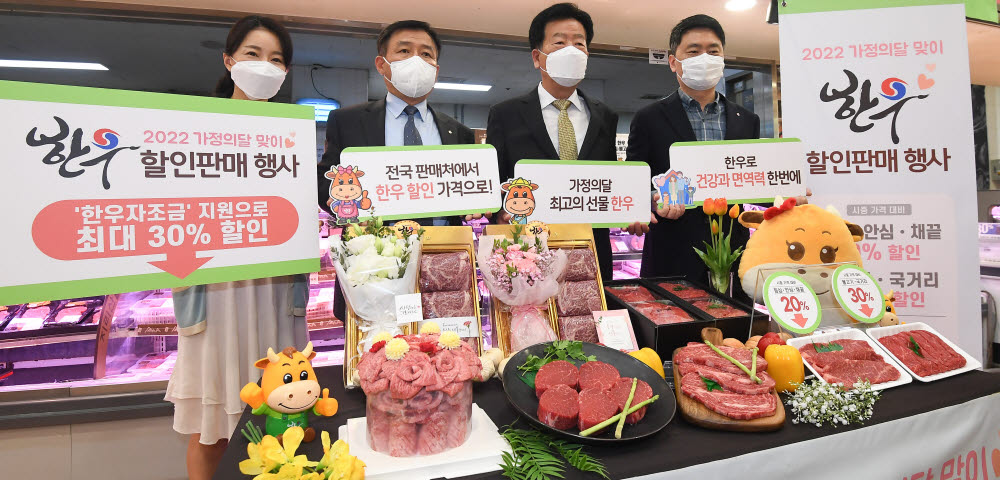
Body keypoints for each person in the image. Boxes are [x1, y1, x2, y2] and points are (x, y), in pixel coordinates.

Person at [164, 16, 308, 480]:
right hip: (216, 290)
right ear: (229, 61)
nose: (265, 66)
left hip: (275, 291)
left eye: (276, 59)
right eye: (252, 54)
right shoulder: (192, 128)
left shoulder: (292, 133)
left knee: (283, 419)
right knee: (212, 428)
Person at [317, 20, 475, 320]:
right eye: (404, 50)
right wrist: (347, 205)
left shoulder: (460, 133)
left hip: (444, 273)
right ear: (382, 63)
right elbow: (325, 184)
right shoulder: (348, 122)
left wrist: (477, 206)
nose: (417, 60)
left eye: (426, 54)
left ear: (436, 69)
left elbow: (470, 195)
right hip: (374, 271)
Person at [625, 14, 760, 301]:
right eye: (694, 51)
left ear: (723, 60)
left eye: (713, 51)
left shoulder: (746, 120)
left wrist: (787, 193)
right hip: (671, 254)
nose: (705, 58)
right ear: (674, 62)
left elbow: (753, 178)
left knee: (736, 340)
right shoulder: (649, 118)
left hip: (732, 256)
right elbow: (633, 182)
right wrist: (654, 198)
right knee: (670, 340)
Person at [486, 2, 619, 280]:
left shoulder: (605, 115)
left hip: (591, 251)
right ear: (537, 57)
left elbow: (610, 180)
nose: (571, 50)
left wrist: (628, 210)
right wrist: (500, 212)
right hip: (527, 254)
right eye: (559, 42)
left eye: (579, 43)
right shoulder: (505, 114)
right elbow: (494, 181)